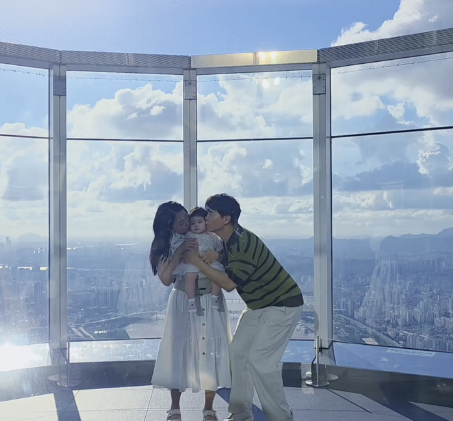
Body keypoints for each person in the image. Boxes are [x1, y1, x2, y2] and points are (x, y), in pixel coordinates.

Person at [184, 194, 304, 421]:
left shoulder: (243, 244)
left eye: (211, 213)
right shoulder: (229, 239)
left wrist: (197, 262)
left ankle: (281, 417)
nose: (206, 217)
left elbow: (229, 283)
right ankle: (241, 413)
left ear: (226, 218)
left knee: (261, 362)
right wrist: (218, 255)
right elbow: (231, 260)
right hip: (259, 306)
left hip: (282, 305)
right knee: (237, 353)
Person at [149, 201, 232, 421]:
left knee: (212, 349)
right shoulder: (166, 243)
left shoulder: (207, 234)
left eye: (187, 217)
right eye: (181, 221)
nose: (187, 223)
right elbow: (166, 279)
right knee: (179, 349)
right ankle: (175, 408)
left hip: (211, 297)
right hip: (183, 300)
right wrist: (179, 252)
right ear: (169, 224)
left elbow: (227, 257)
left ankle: (209, 408)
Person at [172, 207, 223, 313]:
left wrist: (215, 255)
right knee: (190, 275)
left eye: (199, 222)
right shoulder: (189, 235)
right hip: (192, 262)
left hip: (209, 261)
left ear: (206, 222)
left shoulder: (213, 236)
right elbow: (178, 244)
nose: (196, 225)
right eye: (193, 223)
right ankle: (191, 301)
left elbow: (219, 249)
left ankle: (214, 297)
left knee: (217, 275)